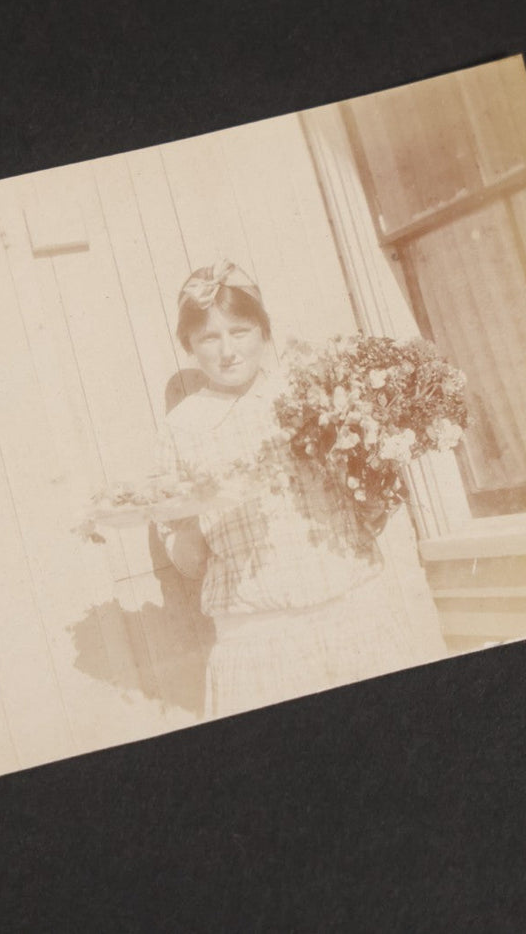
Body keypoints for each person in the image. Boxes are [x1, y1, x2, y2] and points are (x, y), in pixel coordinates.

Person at [155, 259, 447, 719]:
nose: (228, 351)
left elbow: (366, 506)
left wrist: (374, 488)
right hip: (260, 634)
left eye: (240, 331)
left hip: (352, 611)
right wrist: (190, 526)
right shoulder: (181, 428)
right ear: (189, 344)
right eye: (209, 337)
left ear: (263, 331)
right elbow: (184, 551)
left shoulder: (314, 394)